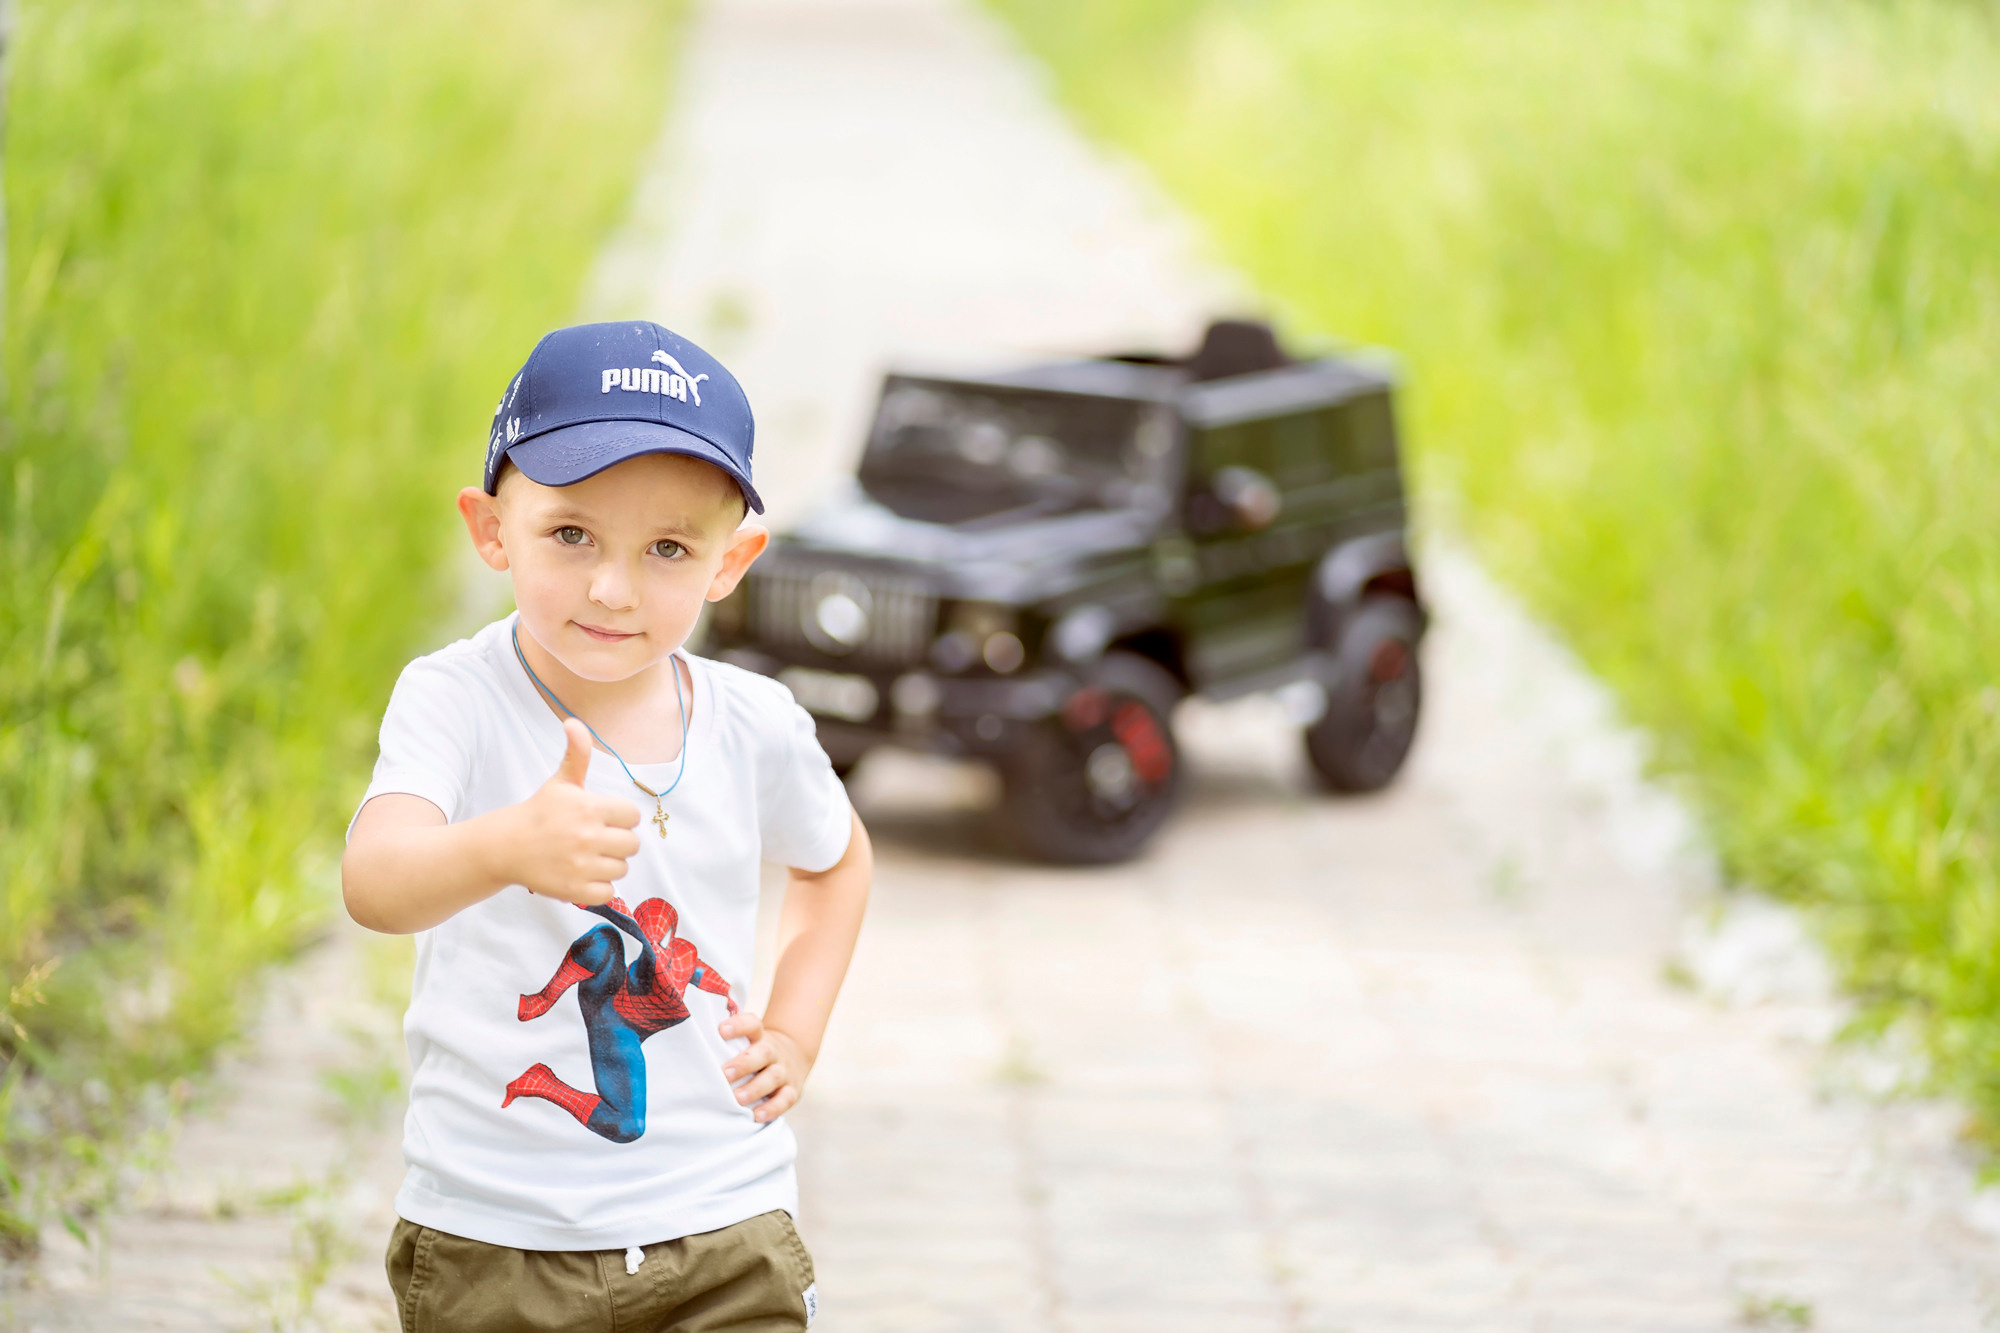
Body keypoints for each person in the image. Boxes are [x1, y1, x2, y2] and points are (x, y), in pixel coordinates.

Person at [342, 320, 870, 1332]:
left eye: (667, 548)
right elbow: (375, 880)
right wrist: (504, 846)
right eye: (571, 534)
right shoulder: (452, 699)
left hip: (724, 1221)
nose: (611, 588)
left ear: (731, 560)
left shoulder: (753, 722)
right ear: (492, 526)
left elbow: (837, 862)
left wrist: (796, 1031)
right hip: (497, 1239)